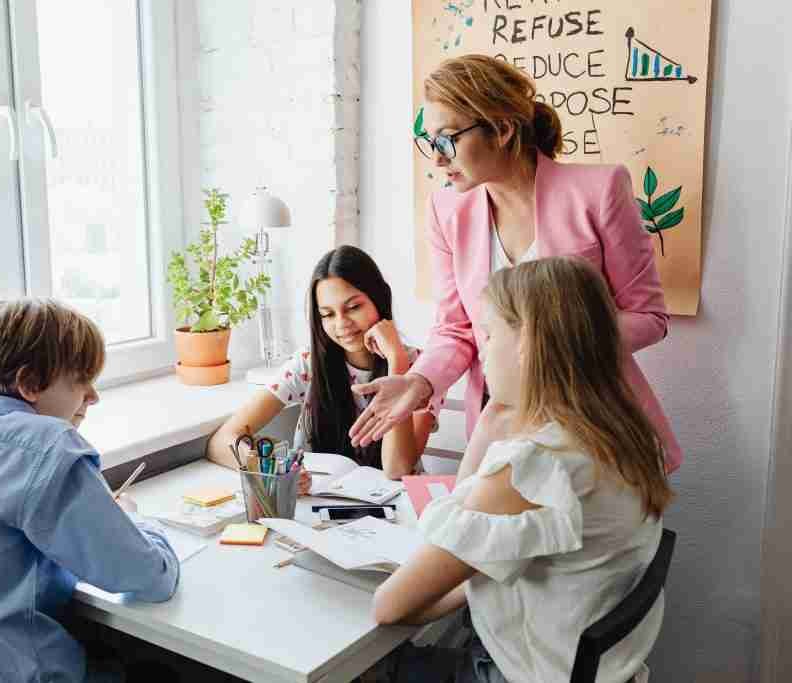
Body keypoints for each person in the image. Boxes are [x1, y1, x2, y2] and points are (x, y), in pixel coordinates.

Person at [349, 55, 681, 479]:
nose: (436, 159)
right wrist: (421, 382)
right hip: (501, 425)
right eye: (429, 142)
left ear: (503, 129)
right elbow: (456, 328)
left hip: (592, 422)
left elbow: (649, 316)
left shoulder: (599, 190)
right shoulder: (446, 210)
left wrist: (554, 346)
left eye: (447, 139)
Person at [373, 257, 672, 683]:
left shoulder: (537, 464)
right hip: (588, 669)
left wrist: (439, 591)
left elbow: (388, 606)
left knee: (364, 666)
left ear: (529, 342)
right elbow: (466, 536)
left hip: (513, 672)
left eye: (490, 334)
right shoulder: (622, 433)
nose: (481, 349)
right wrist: (496, 413)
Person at [0, 299, 180, 682]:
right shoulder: (48, 447)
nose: (93, 396)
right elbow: (150, 578)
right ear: (30, 384)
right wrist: (133, 520)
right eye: (81, 379)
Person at [207, 245, 436, 480]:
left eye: (354, 307)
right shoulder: (307, 365)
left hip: (399, 506)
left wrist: (396, 361)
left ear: (379, 299)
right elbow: (221, 442)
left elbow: (398, 470)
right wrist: (272, 472)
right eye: (328, 314)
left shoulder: (423, 370)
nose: (341, 324)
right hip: (323, 505)